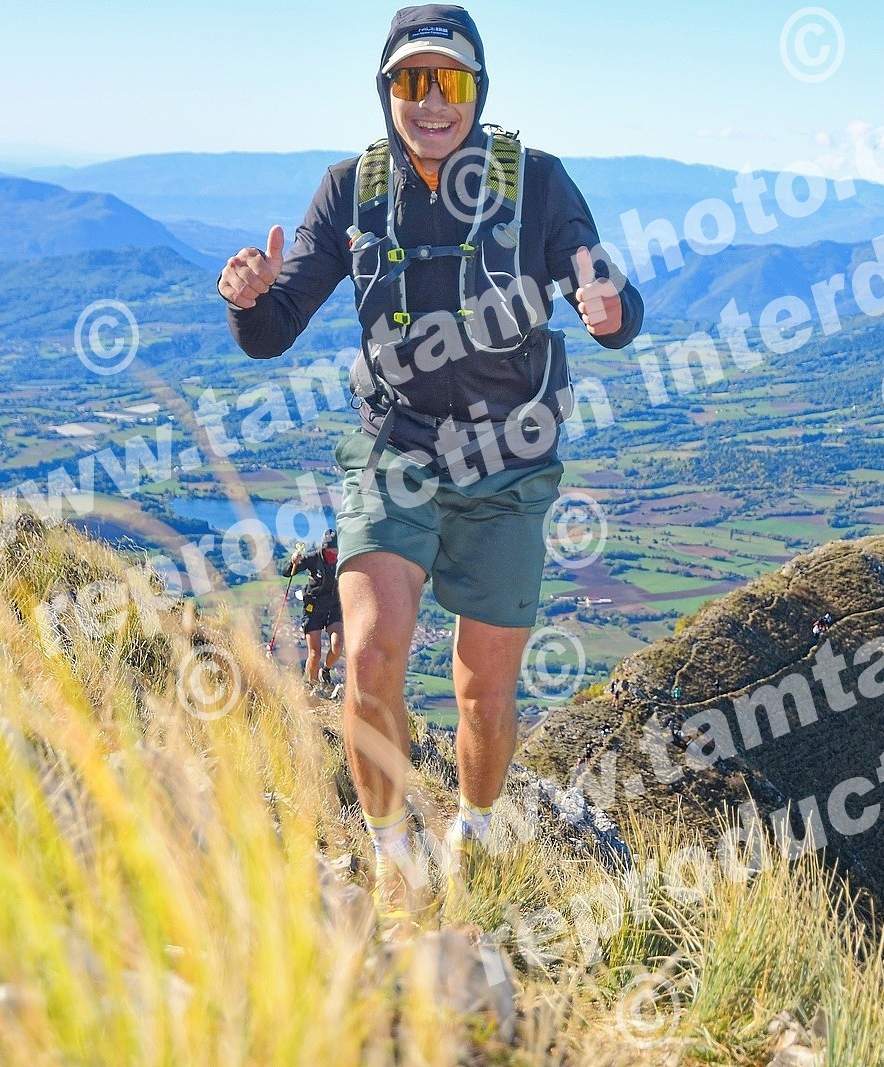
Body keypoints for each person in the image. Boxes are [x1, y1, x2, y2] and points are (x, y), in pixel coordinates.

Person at [219, 4, 644, 929]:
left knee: (483, 692)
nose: (431, 101)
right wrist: (248, 300)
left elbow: (605, 287)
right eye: (411, 81)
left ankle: (475, 833)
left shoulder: (536, 182)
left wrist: (610, 309)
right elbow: (275, 327)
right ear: (387, 92)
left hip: (509, 462)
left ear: (477, 90)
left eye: (448, 81)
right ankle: (392, 856)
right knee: (371, 656)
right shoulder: (351, 190)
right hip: (394, 452)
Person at [285, 530, 344, 691]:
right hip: (313, 608)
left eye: (336, 549)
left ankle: (325, 670)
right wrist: (293, 562)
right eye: (330, 549)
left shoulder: (342, 561)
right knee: (315, 653)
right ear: (323, 548)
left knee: (337, 646)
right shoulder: (313, 559)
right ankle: (312, 688)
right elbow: (287, 573)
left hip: (334, 607)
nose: (334, 553)